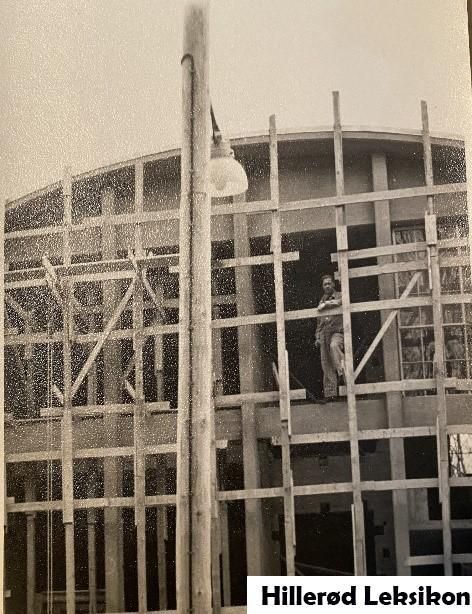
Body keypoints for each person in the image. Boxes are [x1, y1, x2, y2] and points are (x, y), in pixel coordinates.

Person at [315, 274, 345, 402]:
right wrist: (317, 337)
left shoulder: (340, 295)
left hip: (337, 333)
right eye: (324, 284)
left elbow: (340, 302)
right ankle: (330, 394)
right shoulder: (321, 301)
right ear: (322, 287)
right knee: (326, 364)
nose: (327, 286)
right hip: (324, 334)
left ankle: (343, 375)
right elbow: (319, 323)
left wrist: (326, 304)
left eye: (329, 283)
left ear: (333, 284)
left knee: (334, 346)